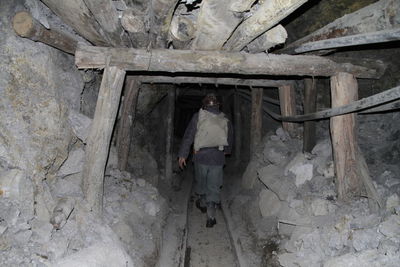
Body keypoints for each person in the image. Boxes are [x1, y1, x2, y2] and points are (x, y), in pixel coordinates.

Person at [178, 93, 233, 228]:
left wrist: (183, 154)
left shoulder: (198, 117)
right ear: (218, 104)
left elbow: (189, 136)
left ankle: (202, 203)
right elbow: (230, 137)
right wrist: (226, 152)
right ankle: (211, 217)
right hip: (217, 157)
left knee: (201, 181)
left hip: (200, 156)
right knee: (214, 186)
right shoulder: (224, 118)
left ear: (204, 104)